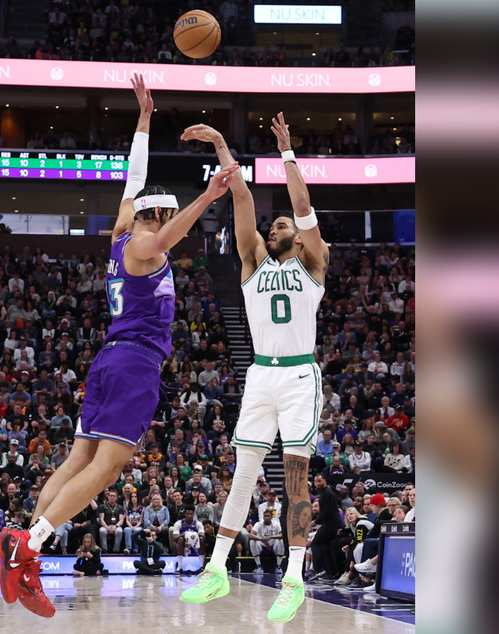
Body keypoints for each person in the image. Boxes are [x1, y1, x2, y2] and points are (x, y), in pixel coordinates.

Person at [0, 74, 238, 619]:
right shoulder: (145, 246)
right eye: (166, 212)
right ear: (157, 216)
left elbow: (132, 177)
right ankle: (31, 543)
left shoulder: (120, 233)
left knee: (78, 457)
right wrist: (207, 195)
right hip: (133, 362)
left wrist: (145, 120)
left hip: (111, 359)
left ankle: (24, 552)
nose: (167, 222)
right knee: (107, 467)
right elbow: (168, 231)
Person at [179, 114, 329, 624]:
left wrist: (287, 154)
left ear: (301, 239)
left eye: (283, 224)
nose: (275, 226)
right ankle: (217, 568)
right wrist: (221, 144)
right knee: (243, 473)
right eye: (274, 224)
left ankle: (293, 578)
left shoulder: (313, 263)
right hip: (261, 375)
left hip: (298, 377)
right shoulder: (251, 262)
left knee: (295, 477)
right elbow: (241, 196)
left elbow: (303, 205)